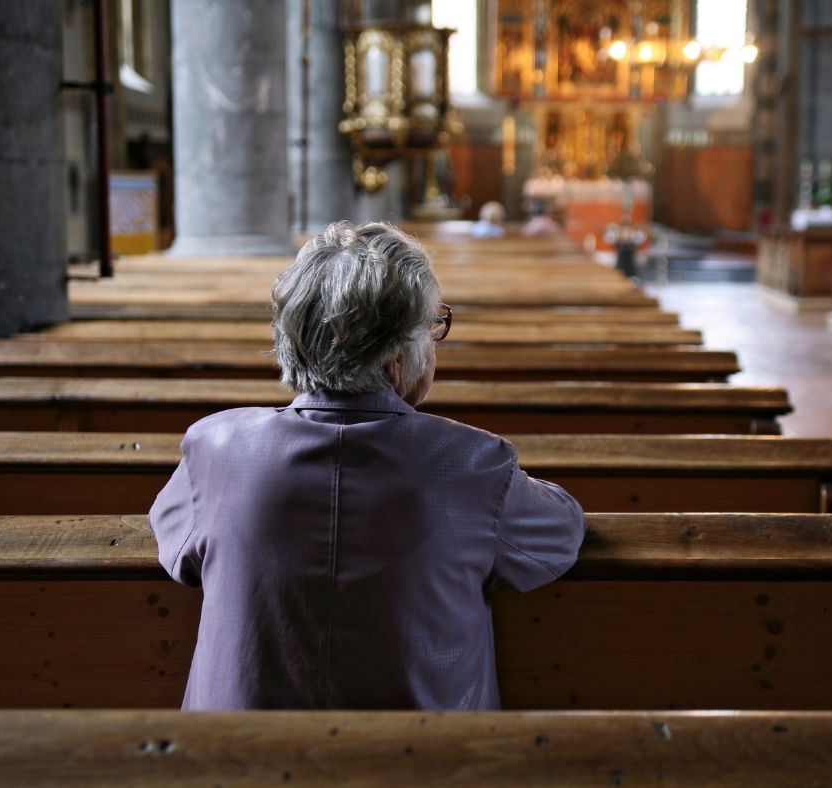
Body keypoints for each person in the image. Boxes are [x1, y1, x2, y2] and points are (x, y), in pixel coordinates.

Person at [149, 221, 585, 711]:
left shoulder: (214, 448)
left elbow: (175, 548)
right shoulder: (473, 465)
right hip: (422, 763)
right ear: (398, 356)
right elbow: (563, 531)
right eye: (432, 327)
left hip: (233, 764)